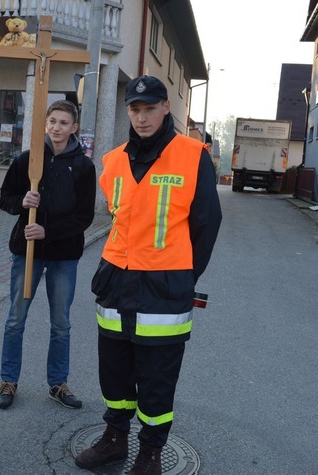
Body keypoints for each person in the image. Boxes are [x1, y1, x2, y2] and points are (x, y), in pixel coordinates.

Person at [75, 76, 222, 475]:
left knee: (157, 378)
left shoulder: (193, 155)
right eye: (135, 110)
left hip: (164, 286)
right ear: (128, 112)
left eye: (150, 108)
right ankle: (114, 439)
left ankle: (151, 452)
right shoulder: (114, 160)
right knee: (114, 371)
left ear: (165, 109)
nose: (142, 117)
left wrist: (185, 276)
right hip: (116, 283)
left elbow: (206, 223)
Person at [0, 99, 96, 410]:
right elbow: (5, 199)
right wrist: (21, 202)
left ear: (74, 128)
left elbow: (84, 217)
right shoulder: (28, 160)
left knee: (61, 323)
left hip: (64, 256)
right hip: (27, 253)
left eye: (64, 123)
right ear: (46, 123)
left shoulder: (83, 166)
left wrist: (48, 232)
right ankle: (8, 380)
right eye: (52, 121)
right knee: (15, 319)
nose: (57, 127)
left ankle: (58, 383)